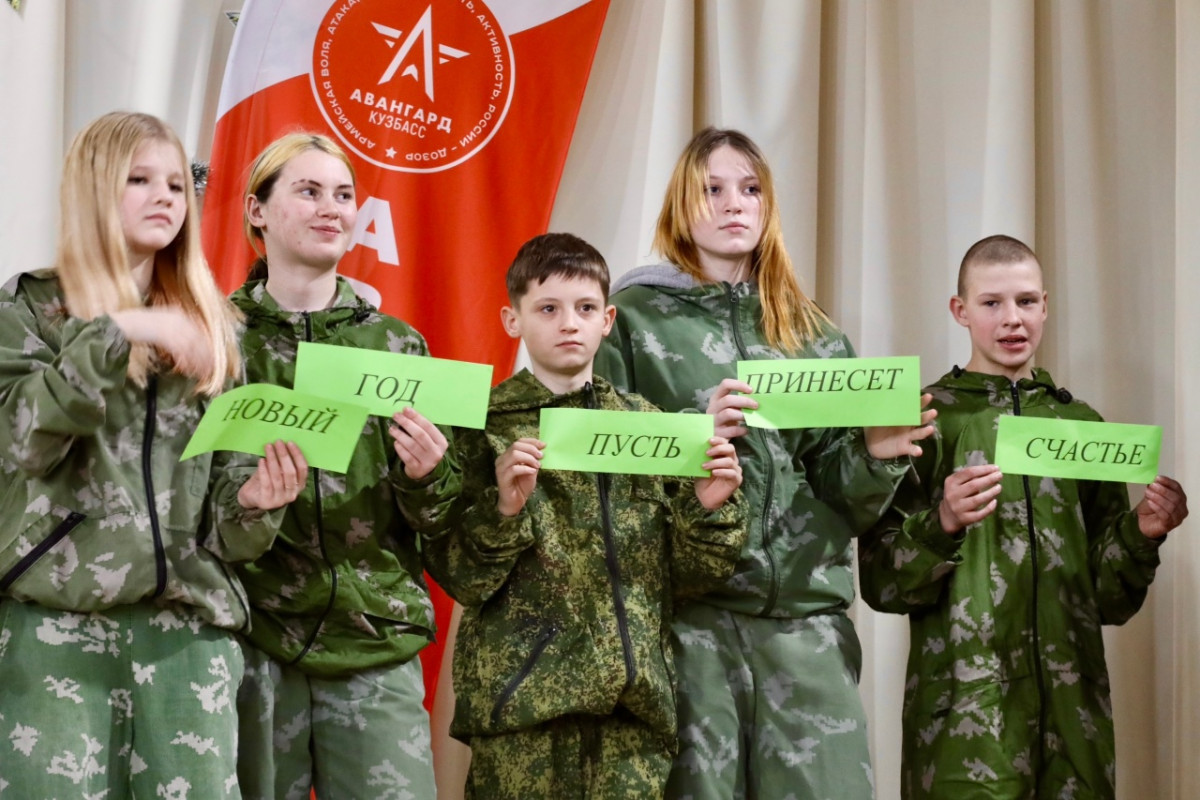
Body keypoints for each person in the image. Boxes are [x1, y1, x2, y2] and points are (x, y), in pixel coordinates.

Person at [593, 127, 936, 799]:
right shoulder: (630, 322)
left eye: (750, 189)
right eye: (713, 189)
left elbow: (844, 498)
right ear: (680, 204)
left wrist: (874, 456)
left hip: (807, 625)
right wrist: (694, 436)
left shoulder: (814, 333)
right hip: (689, 624)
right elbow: (604, 475)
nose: (734, 204)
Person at [0, 110, 305, 797]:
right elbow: (23, 441)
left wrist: (255, 501)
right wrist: (121, 330)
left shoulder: (215, 327)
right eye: (139, 179)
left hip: (187, 637)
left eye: (175, 183)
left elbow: (228, 518)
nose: (166, 196)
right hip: (56, 626)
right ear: (94, 187)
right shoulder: (27, 308)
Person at [857, 234, 1188, 799]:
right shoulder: (922, 421)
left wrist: (1141, 533)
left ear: (1045, 306)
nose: (1012, 318)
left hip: (1073, 725)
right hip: (965, 727)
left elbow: (1108, 600)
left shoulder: (1082, 427)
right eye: (992, 303)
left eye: (1026, 301)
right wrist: (943, 522)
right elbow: (881, 582)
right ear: (960, 310)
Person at [421, 232, 747, 798]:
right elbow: (462, 579)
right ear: (513, 320)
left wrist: (706, 507)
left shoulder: (652, 428)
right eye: (548, 308)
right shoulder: (482, 427)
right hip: (522, 714)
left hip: (633, 716)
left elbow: (692, 578)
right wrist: (505, 509)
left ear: (607, 320)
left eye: (586, 308)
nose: (569, 323)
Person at [230, 132, 460, 800]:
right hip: (253, 644)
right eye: (308, 191)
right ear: (257, 210)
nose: (332, 208)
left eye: (343, 194)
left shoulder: (396, 346)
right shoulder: (217, 340)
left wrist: (428, 475)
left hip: (374, 642)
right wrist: (247, 503)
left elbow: (440, 516)